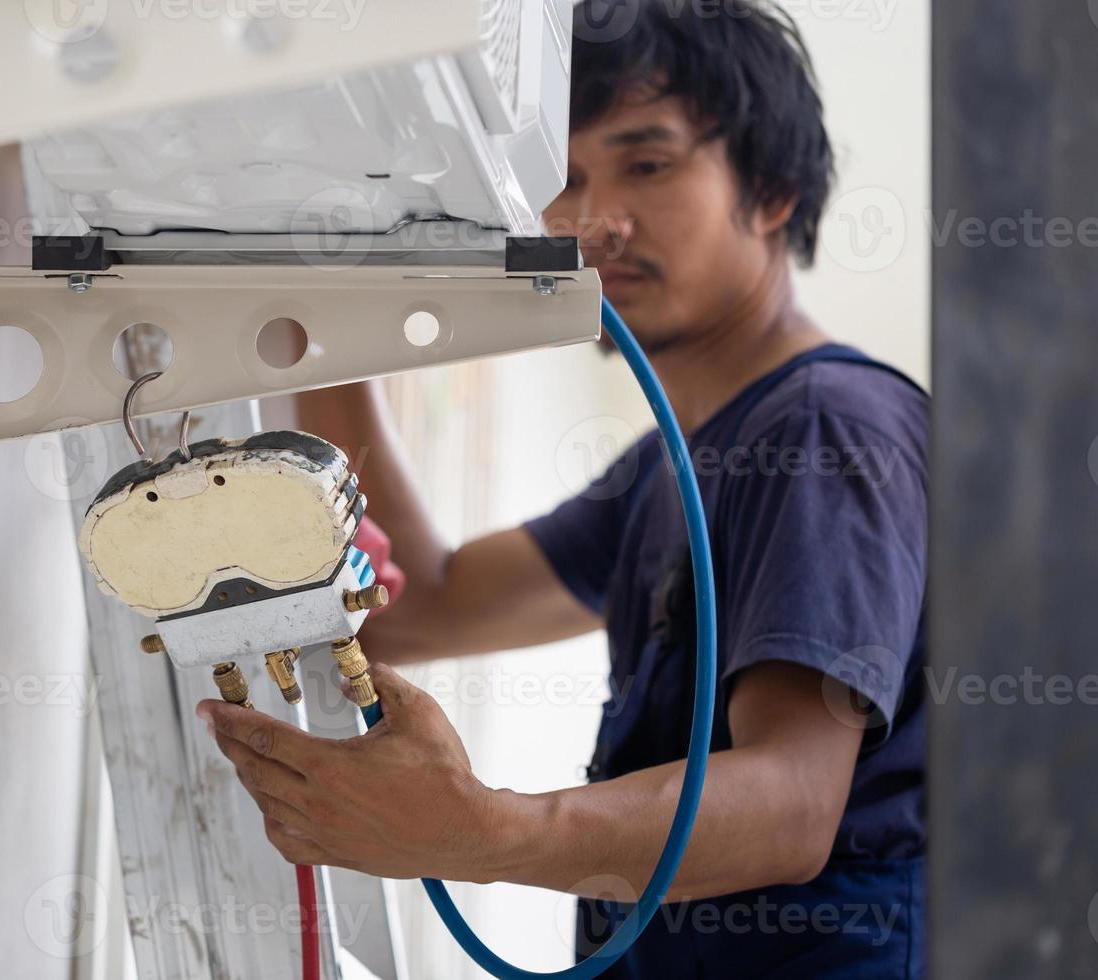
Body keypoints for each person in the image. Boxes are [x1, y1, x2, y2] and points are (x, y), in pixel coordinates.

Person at [197, 1, 927, 975]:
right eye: (565, 179)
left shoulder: (822, 428)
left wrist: (482, 829)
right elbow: (429, 599)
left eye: (648, 164)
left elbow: (791, 806)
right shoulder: (674, 466)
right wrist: (321, 320)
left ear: (774, 192)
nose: (594, 221)